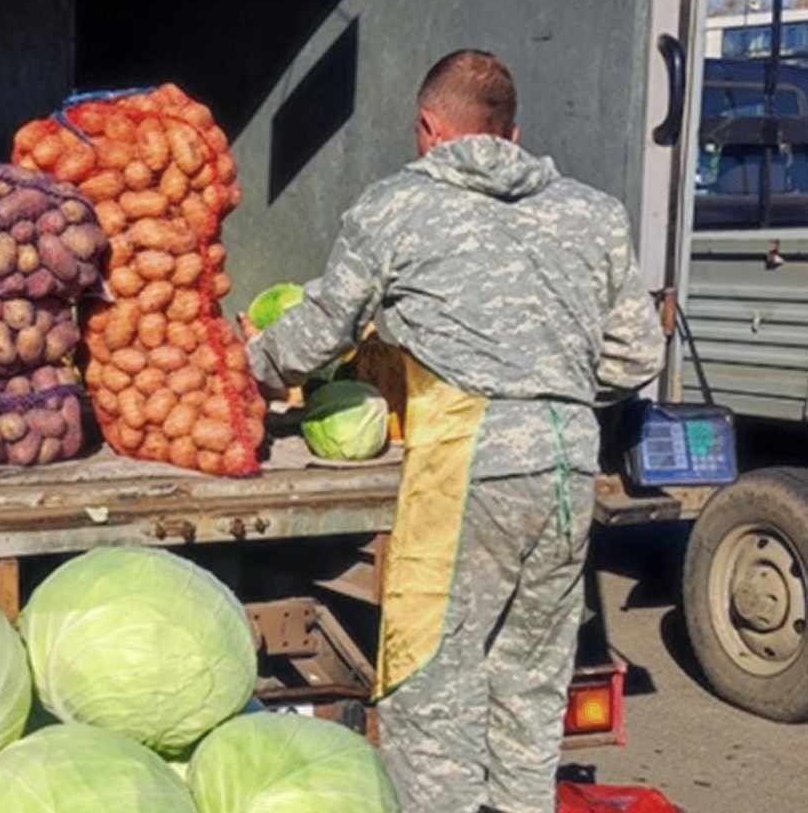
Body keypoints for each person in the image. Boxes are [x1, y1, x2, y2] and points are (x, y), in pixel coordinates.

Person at [245, 49, 665, 813]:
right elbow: (638, 354)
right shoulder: (591, 212)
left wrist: (249, 365)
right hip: (568, 468)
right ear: (512, 131)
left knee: (432, 688)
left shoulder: (396, 206)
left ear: (426, 128)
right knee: (529, 686)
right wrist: (554, 389)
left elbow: (318, 335)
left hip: (463, 470)